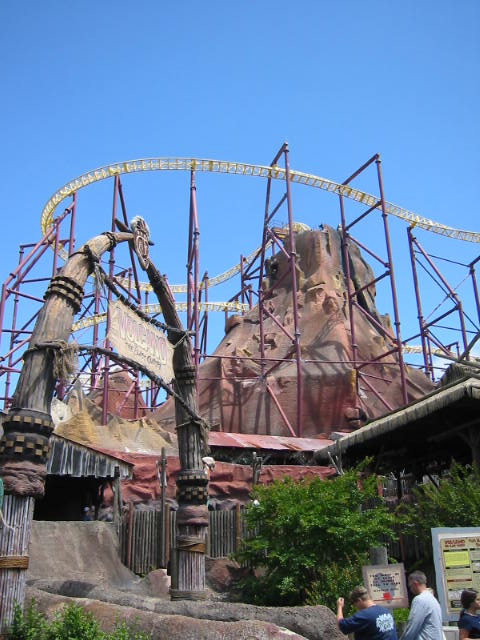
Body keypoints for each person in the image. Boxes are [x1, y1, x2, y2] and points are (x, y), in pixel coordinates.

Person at [400, 570, 443, 640]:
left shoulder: (420, 600)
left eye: (410, 586)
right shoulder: (433, 599)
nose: (410, 589)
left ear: (415, 584)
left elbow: (412, 626)